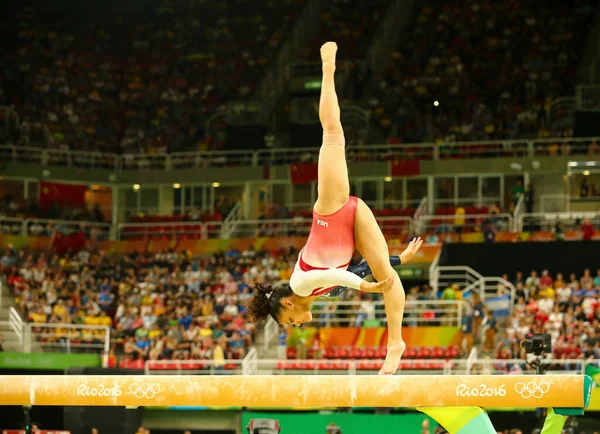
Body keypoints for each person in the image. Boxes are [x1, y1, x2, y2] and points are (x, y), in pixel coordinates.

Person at [246, 42, 423, 375]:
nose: (297, 324)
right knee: (387, 274)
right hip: (354, 219)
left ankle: (327, 68)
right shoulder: (321, 294)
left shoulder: (299, 285)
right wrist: (395, 259)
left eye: (290, 322)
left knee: (332, 134)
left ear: (287, 303)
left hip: (332, 211)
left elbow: (333, 273)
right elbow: (354, 273)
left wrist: (365, 287)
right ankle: (396, 342)